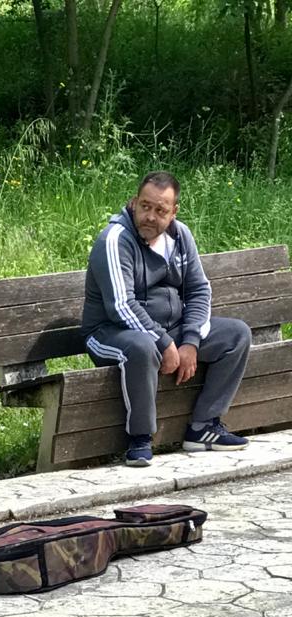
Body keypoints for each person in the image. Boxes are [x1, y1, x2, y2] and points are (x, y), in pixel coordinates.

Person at [80, 171, 252, 467]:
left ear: (174, 212)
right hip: (109, 332)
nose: (150, 216)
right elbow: (122, 306)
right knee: (142, 347)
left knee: (236, 335)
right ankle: (140, 438)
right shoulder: (115, 240)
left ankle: (203, 427)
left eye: (160, 210)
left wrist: (191, 341)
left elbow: (199, 290)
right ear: (133, 203)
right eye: (145, 206)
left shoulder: (180, 236)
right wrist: (164, 342)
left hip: (168, 330)